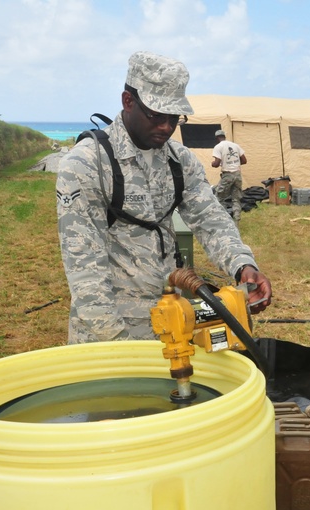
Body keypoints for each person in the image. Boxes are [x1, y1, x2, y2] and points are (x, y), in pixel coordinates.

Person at [57, 51, 272, 344]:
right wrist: (121, 347)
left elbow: (211, 220)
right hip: (108, 334)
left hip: (171, 320)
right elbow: (85, 272)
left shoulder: (179, 161)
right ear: (127, 101)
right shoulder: (86, 164)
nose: (166, 127)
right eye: (156, 115)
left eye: (175, 117)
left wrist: (243, 265)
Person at [212, 129, 246, 224]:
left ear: (217, 138)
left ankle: (224, 220)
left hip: (227, 175)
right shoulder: (235, 145)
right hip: (237, 174)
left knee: (219, 197)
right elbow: (244, 160)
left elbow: (216, 163)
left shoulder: (218, 147)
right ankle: (237, 220)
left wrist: (213, 164)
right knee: (236, 198)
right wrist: (234, 164)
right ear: (224, 136)